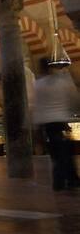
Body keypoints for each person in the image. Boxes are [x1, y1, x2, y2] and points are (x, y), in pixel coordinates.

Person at [33, 58, 80, 191]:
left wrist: (36, 127)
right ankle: (68, 179)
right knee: (65, 150)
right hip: (61, 121)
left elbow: (37, 107)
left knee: (56, 153)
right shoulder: (60, 82)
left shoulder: (38, 85)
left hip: (47, 124)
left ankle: (61, 181)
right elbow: (73, 99)